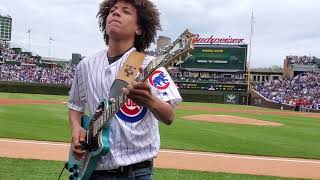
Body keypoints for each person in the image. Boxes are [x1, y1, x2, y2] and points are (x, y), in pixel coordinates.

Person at [67, 0, 182, 179]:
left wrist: (150, 101)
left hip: (136, 172)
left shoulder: (151, 66)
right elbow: (75, 106)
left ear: (139, 28)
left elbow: (169, 116)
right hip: (92, 169)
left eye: (125, 11)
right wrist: (76, 128)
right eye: (112, 10)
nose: (116, 13)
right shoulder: (85, 65)